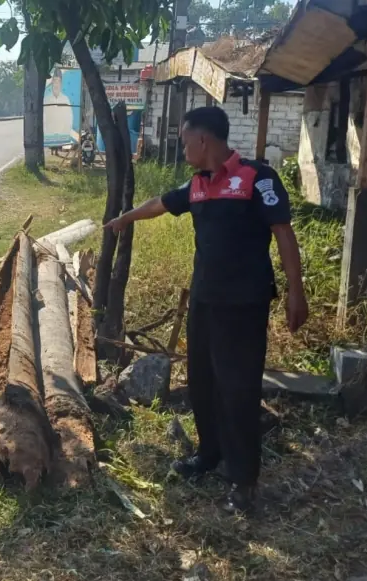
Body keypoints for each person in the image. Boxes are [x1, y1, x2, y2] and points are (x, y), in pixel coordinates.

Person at [105, 106, 308, 515]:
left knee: (238, 389)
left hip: (243, 304)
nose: (182, 149)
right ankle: (209, 453)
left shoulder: (257, 178)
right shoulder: (198, 185)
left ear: (203, 140)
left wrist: (295, 292)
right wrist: (125, 218)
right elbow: (160, 204)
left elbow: (283, 233)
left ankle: (244, 479)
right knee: (202, 381)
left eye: (184, 141)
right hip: (205, 299)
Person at [43, 68, 79, 146]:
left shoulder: (66, 100)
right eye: (55, 81)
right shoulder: (46, 100)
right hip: (48, 136)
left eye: (58, 81)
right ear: (52, 83)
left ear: (61, 84)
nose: (56, 84)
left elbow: (69, 120)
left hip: (63, 136)